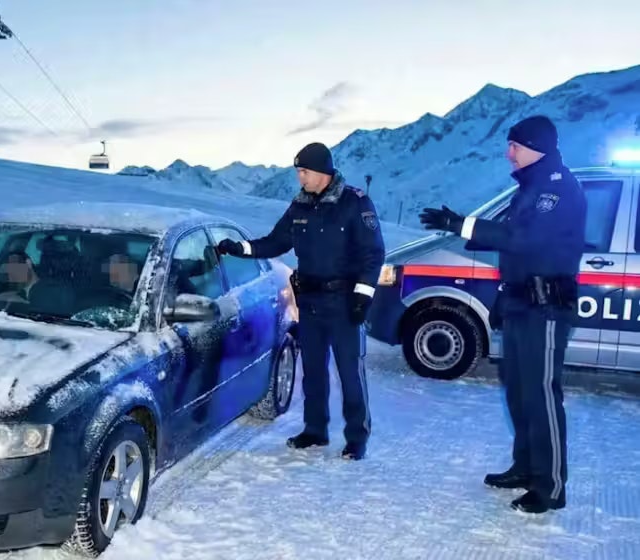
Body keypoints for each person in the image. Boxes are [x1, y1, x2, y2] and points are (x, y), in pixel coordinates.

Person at [418, 115, 585, 513]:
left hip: (546, 307)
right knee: (519, 390)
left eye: (515, 146)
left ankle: (550, 486)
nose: (508, 153)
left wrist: (462, 225)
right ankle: (526, 468)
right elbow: (513, 250)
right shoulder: (530, 188)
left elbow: (522, 239)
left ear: (536, 148)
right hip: (521, 303)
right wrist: (502, 298)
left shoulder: (556, 190)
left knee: (541, 394)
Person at [216, 142, 385, 460]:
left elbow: (373, 253)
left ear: (322, 172)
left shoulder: (355, 202)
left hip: (344, 302)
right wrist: (241, 249)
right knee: (313, 370)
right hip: (310, 302)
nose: (300, 178)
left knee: (350, 372)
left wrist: (362, 297)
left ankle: (356, 438)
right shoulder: (300, 205)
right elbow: (276, 241)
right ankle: (315, 430)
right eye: (298, 172)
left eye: (304, 171)